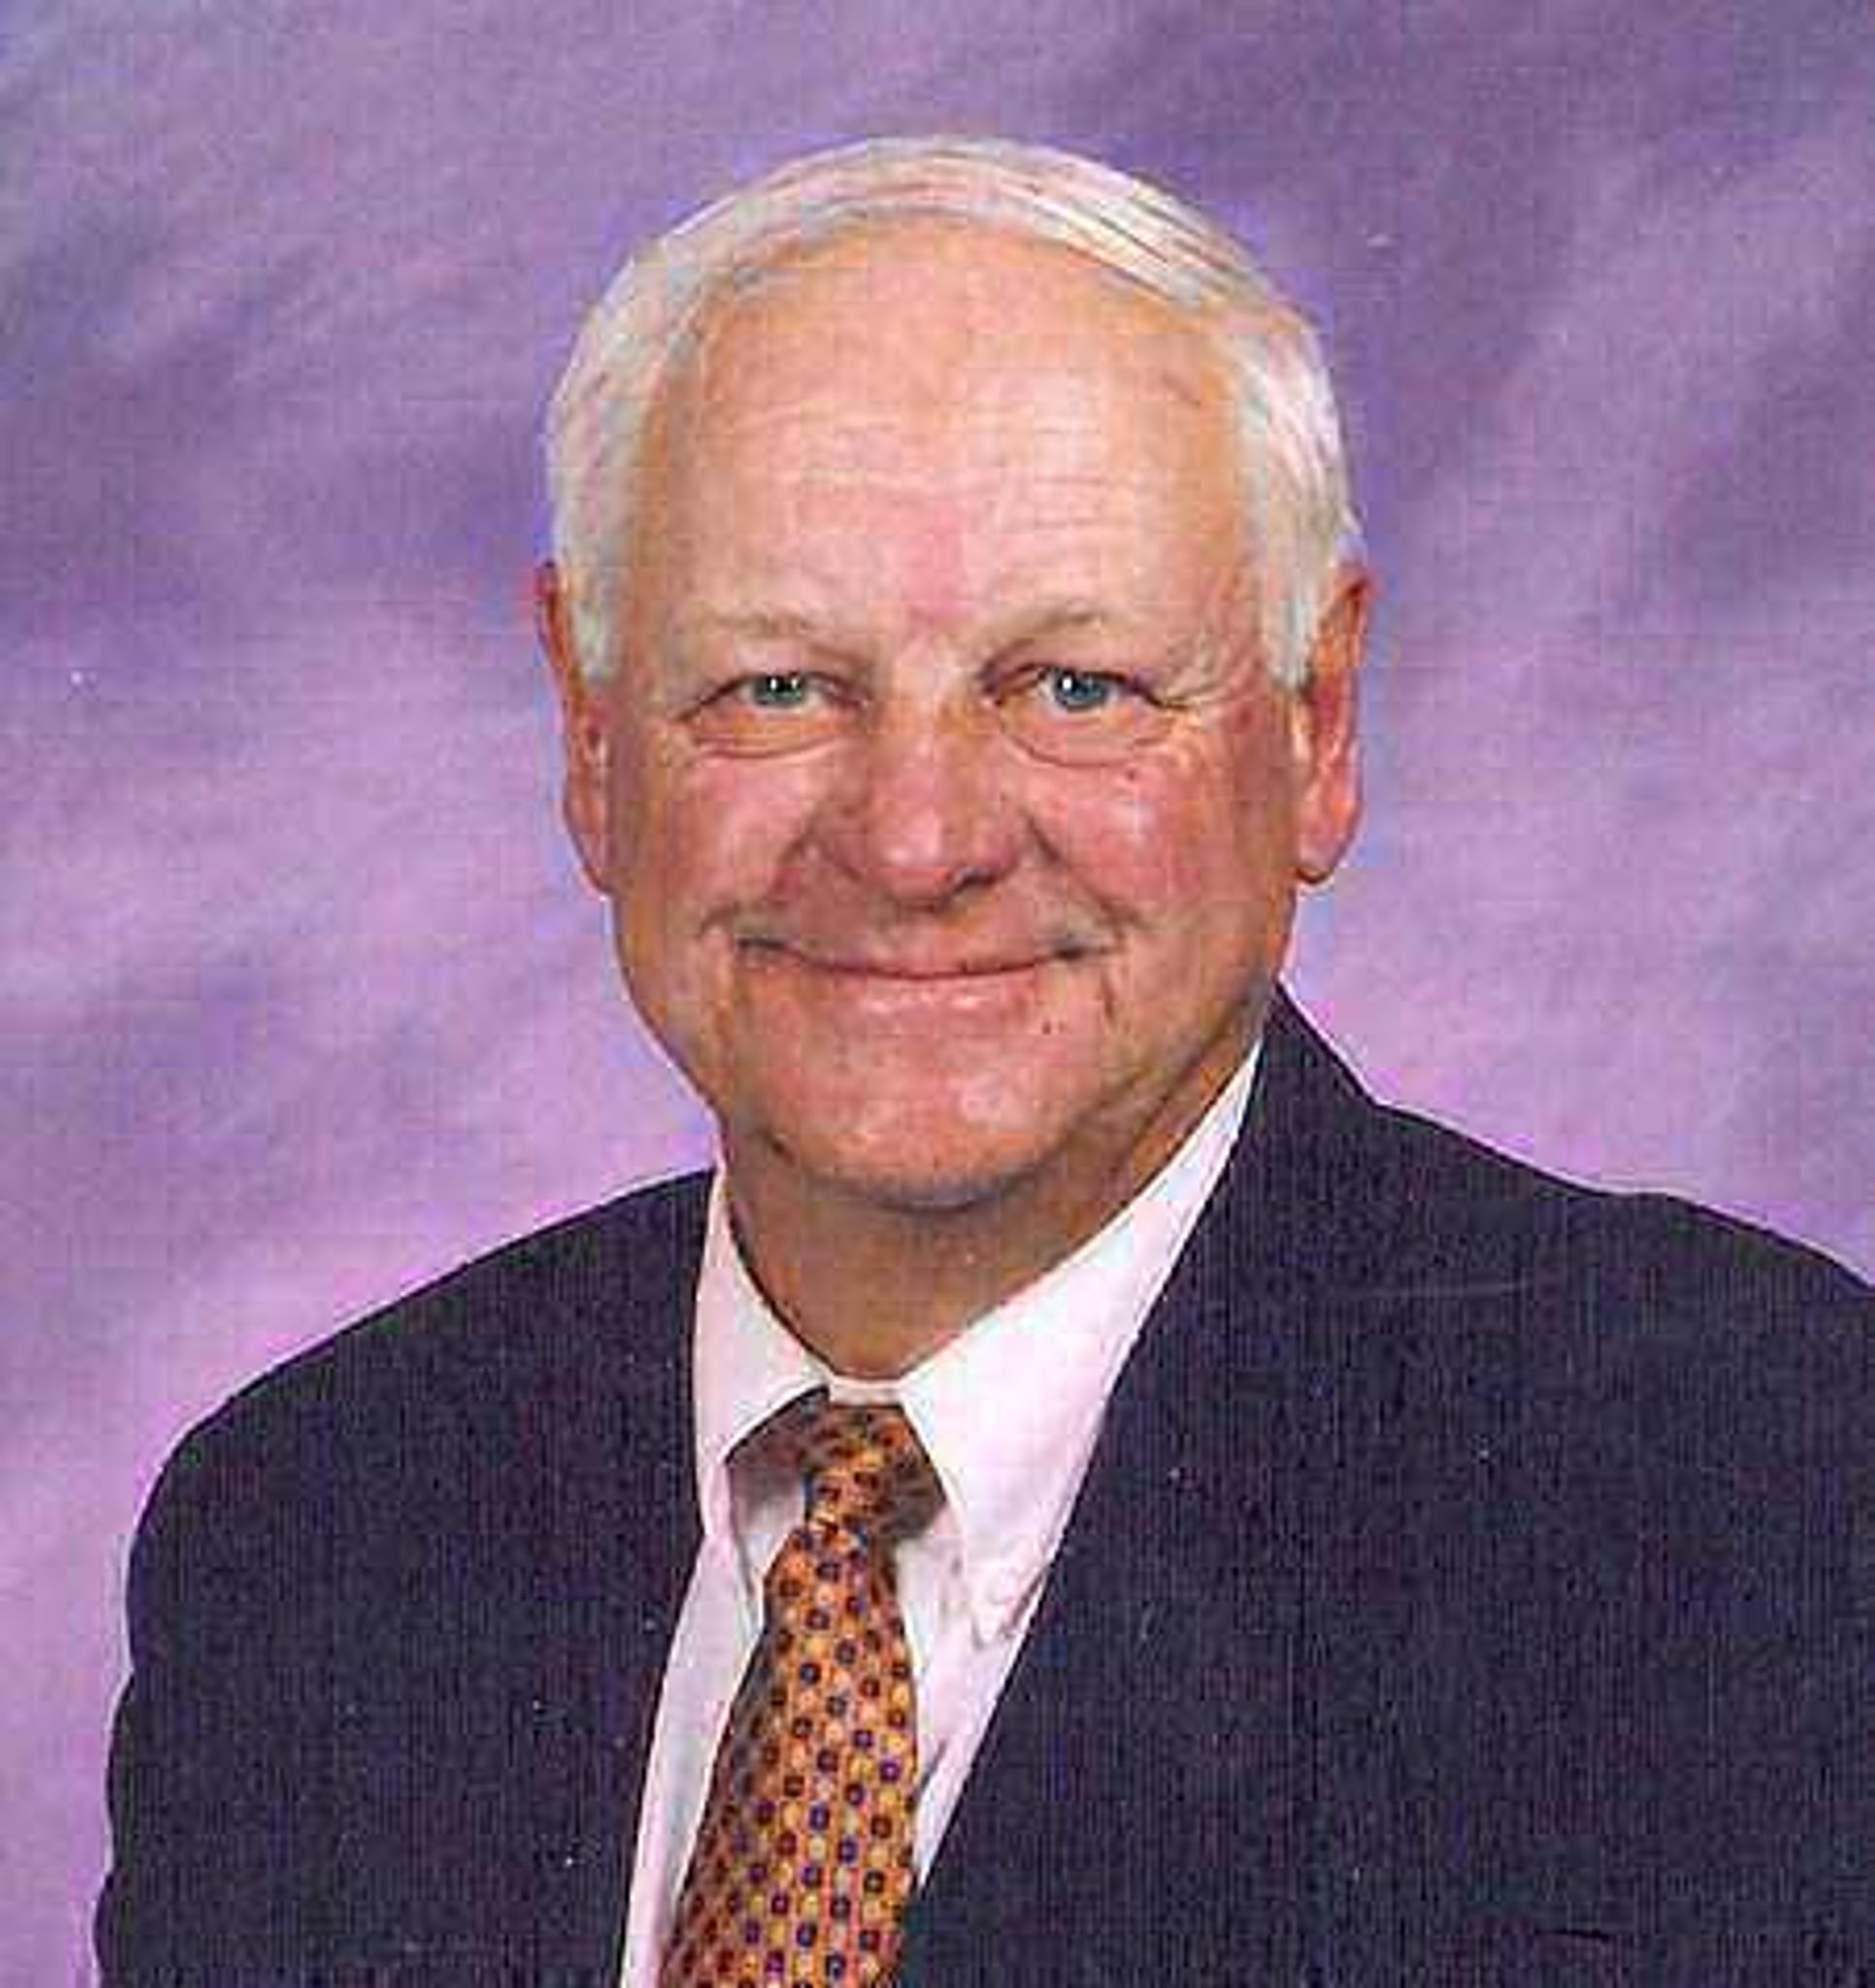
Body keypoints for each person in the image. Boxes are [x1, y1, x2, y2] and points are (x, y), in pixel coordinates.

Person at [96, 138, 1872, 1987]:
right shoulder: (313, 1530)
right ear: (592, 735)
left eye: (1075, 687)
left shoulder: (1747, 1497)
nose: (917, 839)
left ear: (1316, 727)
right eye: (779, 686)